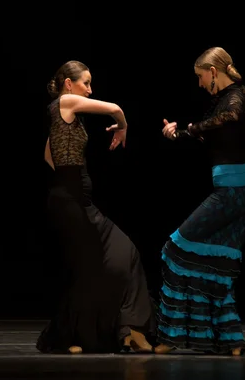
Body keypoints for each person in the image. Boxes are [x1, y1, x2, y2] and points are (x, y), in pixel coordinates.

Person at [35, 60, 156, 354]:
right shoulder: (64, 101)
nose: (90, 89)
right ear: (69, 84)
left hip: (75, 200)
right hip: (71, 202)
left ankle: (129, 332)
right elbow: (115, 109)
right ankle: (64, 338)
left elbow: (47, 156)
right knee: (91, 266)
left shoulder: (63, 116)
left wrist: (72, 180)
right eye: (86, 83)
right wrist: (123, 127)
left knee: (121, 255)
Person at [155, 47, 245, 356]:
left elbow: (232, 116)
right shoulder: (221, 102)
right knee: (216, 265)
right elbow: (212, 132)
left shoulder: (238, 96)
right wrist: (177, 134)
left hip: (233, 193)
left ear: (213, 72)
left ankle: (172, 335)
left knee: (174, 248)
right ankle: (230, 341)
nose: (199, 84)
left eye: (201, 77)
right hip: (236, 191)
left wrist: (191, 128)